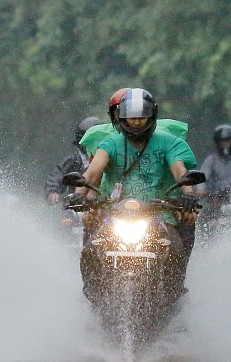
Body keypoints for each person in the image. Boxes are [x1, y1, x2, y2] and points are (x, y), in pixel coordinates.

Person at [78, 88, 199, 305]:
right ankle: (95, 297)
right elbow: (92, 173)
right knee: (91, 248)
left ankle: (172, 295)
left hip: (160, 214)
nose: (136, 123)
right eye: (132, 118)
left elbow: (180, 171)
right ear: (121, 117)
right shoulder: (110, 143)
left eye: (141, 118)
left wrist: (189, 196)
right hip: (114, 212)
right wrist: (79, 196)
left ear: (151, 116)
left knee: (177, 247)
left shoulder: (166, 141)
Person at [44, 116, 102, 205]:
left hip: (102, 204)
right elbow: (57, 174)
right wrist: (53, 191)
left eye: (93, 139)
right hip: (75, 205)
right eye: (86, 139)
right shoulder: (74, 161)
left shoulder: (110, 157)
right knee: (67, 219)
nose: (89, 144)